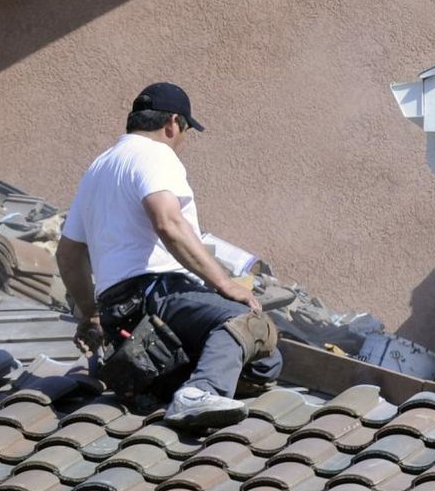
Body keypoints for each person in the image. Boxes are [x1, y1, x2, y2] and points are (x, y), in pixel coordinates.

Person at [55, 83, 281, 431]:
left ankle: (168, 380)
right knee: (252, 326)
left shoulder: (98, 168)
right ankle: (198, 394)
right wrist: (224, 283)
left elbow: (68, 255)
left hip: (120, 315)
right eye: (185, 132)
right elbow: (168, 222)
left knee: (264, 362)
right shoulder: (156, 154)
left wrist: (92, 314)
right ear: (173, 123)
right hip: (159, 295)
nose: (182, 142)